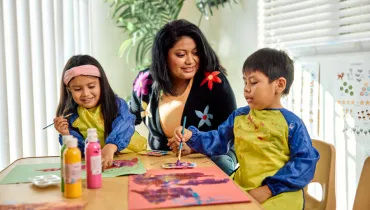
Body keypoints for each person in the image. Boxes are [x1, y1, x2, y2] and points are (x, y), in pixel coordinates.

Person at [169, 48, 320, 209]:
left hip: (279, 193)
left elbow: (305, 163)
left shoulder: (292, 124)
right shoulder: (239, 116)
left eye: (253, 82)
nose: (246, 88)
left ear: (279, 85)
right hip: (242, 186)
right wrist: (192, 136)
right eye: (245, 82)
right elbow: (218, 141)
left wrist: (268, 189)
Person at [129, 19, 238, 175]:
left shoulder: (213, 81)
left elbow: (231, 131)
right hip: (165, 161)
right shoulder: (145, 81)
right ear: (164, 56)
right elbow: (126, 120)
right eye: (181, 54)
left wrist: (196, 145)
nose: (190, 60)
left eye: (195, 53)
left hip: (212, 156)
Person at [54, 55, 146, 168]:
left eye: (91, 86)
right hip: (102, 162)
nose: (85, 94)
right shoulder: (72, 117)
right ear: (69, 90)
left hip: (134, 155)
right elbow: (82, 151)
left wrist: (111, 146)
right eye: (77, 89)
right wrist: (67, 135)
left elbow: (125, 124)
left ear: (101, 84)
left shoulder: (116, 104)